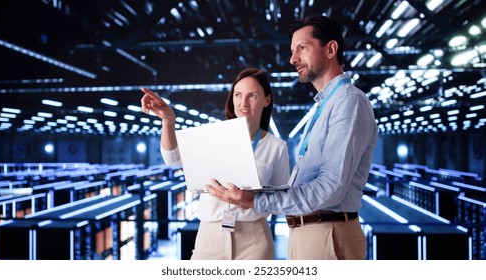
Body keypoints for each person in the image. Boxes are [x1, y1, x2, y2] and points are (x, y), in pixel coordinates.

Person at [206, 14, 378, 260]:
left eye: (302, 48)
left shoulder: (348, 102)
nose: (293, 58)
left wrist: (255, 200)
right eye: (292, 50)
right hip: (309, 232)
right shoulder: (325, 105)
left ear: (331, 49)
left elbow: (330, 188)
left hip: (327, 233)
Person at [140, 67, 290, 260]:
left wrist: (250, 199)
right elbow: (172, 160)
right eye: (238, 95)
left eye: (252, 95)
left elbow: (281, 201)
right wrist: (168, 120)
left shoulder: (276, 147)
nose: (243, 103)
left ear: (266, 100)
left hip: (254, 238)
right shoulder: (212, 136)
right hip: (210, 235)